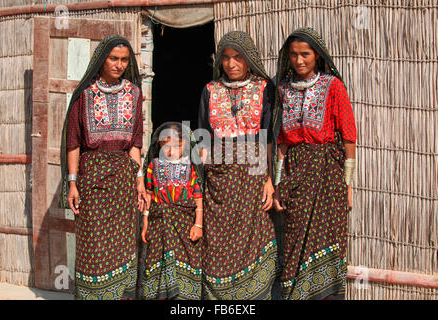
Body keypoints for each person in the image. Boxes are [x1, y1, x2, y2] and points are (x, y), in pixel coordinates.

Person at [59, 35, 148, 300]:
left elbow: (135, 142)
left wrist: (139, 179)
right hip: (92, 175)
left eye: (124, 60)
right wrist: (73, 183)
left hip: (123, 177)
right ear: (101, 59)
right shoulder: (84, 94)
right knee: (93, 244)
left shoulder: (134, 93)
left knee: (122, 243)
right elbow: (74, 141)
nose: (119, 65)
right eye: (113, 59)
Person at [272, 27, 357, 300]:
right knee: (295, 243)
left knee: (328, 240)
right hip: (295, 173)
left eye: (305, 54)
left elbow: (348, 137)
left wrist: (348, 183)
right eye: (294, 55)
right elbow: (282, 143)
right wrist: (277, 183)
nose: (299, 60)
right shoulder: (283, 89)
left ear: (317, 56)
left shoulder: (333, 86)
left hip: (327, 174)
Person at [198, 31, 278, 300]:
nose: (231, 64)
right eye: (226, 58)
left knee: (255, 235)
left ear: (249, 60)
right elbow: (203, 137)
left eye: (238, 58)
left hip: (253, 176)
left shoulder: (264, 88)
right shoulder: (210, 91)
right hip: (218, 181)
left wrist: (269, 178)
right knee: (217, 242)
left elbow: (268, 137)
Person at [139, 122, 204, 300]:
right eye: (166, 145)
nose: (171, 150)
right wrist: (145, 223)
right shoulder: (153, 166)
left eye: (177, 145)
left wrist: (198, 224)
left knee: (185, 265)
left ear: (185, 145)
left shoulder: (191, 168)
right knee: (156, 264)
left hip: (185, 226)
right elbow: (150, 196)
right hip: (158, 224)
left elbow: (198, 198)